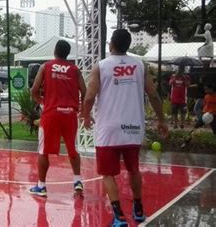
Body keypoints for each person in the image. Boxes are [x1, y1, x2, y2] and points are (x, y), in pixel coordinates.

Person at [81, 29, 168, 226]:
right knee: (133, 170)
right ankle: (138, 209)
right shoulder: (140, 65)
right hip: (133, 127)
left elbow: (89, 96)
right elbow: (154, 95)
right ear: (128, 45)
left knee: (108, 174)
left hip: (108, 130)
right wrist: (162, 119)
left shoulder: (100, 67)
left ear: (111, 43)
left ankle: (119, 216)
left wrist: (85, 116)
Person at [29, 40, 87, 197]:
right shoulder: (75, 70)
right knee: (72, 149)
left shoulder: (45, 67)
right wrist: (80, 109)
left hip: (51, 113)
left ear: (55, 51)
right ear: (68, 53)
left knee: (43, 151)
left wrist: (43, 102)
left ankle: (41, 186)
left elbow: (34, 90)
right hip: (69, 114)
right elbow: (85, 91)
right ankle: (77, 181)